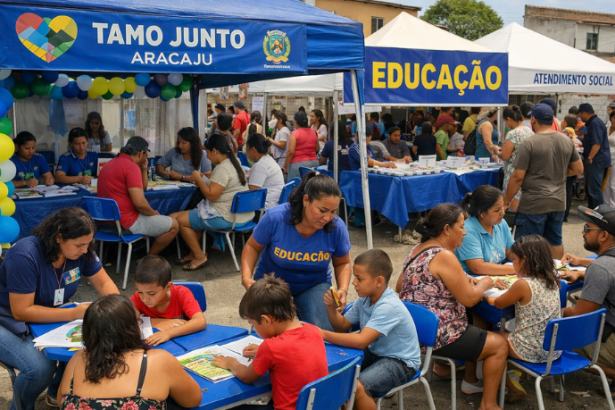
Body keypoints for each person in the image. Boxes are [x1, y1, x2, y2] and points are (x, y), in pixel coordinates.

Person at [0, 208, 119, 409]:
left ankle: (56, 393)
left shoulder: (82, 251)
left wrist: (120, 308)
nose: (85, 250)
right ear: (59, 237)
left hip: (51, 314)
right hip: (7, 318)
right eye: (79, 245)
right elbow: (21, 311)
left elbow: (103, 283)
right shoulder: (24, 255)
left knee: (90, 343)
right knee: (39, 369)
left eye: (88, 244)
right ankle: (21, 406)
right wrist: (74, 313)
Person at [396, 204, 507, 408]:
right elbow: (470, 300)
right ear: (447, 229)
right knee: (500, 345)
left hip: (416, 329)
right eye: (461, 227)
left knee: (479, 321)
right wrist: (485, 283)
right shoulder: (444, 255)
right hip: (440, 334)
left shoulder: (419, 248)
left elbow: (400, 285)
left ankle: (470, 380)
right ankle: (489, 404)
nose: (465, 232)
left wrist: (464, 279)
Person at [240, 172, 351, 330]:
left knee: (323, 334)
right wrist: (246, 278)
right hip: (272, 285)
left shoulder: (337, 227)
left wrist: (343, 289)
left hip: (313, 284)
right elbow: (252, 246)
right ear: (306, 200)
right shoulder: (276, 218)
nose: (327, 217)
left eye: (333, 211)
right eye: (322, 210)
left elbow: (343, 263)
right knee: (268, 334)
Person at [57, 294, 201, 409]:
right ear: (132, 328)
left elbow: (60, 401)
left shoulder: (77, 359)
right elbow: (193, 400)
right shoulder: (159, 360)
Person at [321, 249, 421, 410]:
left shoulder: (388, 306)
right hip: (376, 352)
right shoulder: (365, 298)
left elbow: (361, 341)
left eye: (359, 278)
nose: (354, 283)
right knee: (338, 371)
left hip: (401, 362)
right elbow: (341, 326)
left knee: (358, 386)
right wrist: (331, 308)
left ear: (379, 281)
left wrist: (322, 334)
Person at [212, 275, 328, 410]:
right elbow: (292, 353)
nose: (254, 328)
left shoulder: (271, 347)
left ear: (266, 320)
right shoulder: (313, 330)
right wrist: (262, 351)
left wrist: (231, 362)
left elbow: (246, 377)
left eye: (253, 324)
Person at [503, 103, 583, 258]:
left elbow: (518, 176)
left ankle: (529, 273)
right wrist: (556, 173)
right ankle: (555, 271)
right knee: (555, 241)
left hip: (534, 203)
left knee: (527, 244)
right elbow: (578, 169)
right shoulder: (566, 140)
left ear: (533, 119)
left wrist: (506, 201)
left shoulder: (529, 143)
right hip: (558, 201)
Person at [491, 235, 561, 402]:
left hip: (530, 350)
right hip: (553, 349)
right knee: (512, 333)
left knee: (491, 340)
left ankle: (501, 384)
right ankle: (512, 374)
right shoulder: (553, 281)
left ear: (525, 260)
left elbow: (498, 303)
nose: (513, 264)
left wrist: (487, 288)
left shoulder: (523, 284)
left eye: (514, 259)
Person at [172, 134, 252, 270]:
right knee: (181, 217)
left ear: (214, 151)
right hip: (242, 216)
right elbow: (219, 186)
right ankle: (193, 252)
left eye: (208, 152)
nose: (207, 156)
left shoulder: (222, 168)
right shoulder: (235, 162)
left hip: (226, 216)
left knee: (179, 220)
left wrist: (198, 178)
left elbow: (211, 195)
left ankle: (199, 256)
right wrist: (204, 179)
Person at [561, 205, 615, 397]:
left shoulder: (601, 268)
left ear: (604, 235)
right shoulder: (604, 265)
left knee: (552, 335)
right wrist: (582, 271)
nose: (582, 232)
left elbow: (579, 314)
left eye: (587, 228)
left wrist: (547, 311)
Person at [98, 137, 180, 256]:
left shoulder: (109, 164)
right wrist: (153, 213)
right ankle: (148, 260)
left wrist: (144, 169)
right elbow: (140, 203)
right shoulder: (131, 167)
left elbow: (142, 188)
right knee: (174, 225)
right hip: (125, 223)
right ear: (141, 153)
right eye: (146, 155)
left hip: (104, 224)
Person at [130, 256, 207, 346]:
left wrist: (168, 333)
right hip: (157, 345)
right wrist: (160, 322)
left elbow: (200, 321)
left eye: (151, 294)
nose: (144, 298)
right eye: (140, 292)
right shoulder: (137, 299)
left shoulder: (181, 294)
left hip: (187, 342)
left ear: (168, 287)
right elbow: (126, 321)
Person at [456, 186, 515, 276]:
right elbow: (478, 268)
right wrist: (517, 269)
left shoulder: (501, 223)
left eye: (503, 207)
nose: (503, 213)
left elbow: (510, 253)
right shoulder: (467, 231)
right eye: (497, 210)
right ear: (481, 212)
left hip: (495, 277)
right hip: (473, 279)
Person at [498, 105, 534, 211]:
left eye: (505, 121)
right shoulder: (529, 131)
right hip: (527, 173)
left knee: (513, 208)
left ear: (509, 119)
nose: (505, 124)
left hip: (513, 173)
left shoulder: (513, 134)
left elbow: (505, 156)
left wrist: (497, 151)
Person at [579, 103, 611, 209]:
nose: (580, 117)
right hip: (596, 160)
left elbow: (597, 143)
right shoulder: (592, 123)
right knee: (591, 189)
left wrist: (590, 157)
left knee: (594, 189)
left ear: (583, 113)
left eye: (580, 114)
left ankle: (598, 213)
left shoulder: (595, 123)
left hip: (596, 161)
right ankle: (593, 211)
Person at [246, 133, 285, 209]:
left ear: (253, 149)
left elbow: (251, 193)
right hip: (275, 204)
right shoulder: (268, 159)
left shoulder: (260, 166)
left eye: (247, 147)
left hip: (265, 208)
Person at [283, 112, 319, 180]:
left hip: (298, 165)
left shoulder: (295, 134)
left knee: (296, 185)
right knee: (311, 184)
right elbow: (317, 149)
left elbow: (290, 152)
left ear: (296, 121)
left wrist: (285, 166)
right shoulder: (314, 132)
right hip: (314, 162)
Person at [604, 111, 615, 208]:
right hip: (605, 158)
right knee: (605, 183)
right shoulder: (606, 128)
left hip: (614, 159)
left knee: (613, 183)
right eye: (614, 118)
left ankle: (613, 206)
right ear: (611, 119)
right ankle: (606, 204)